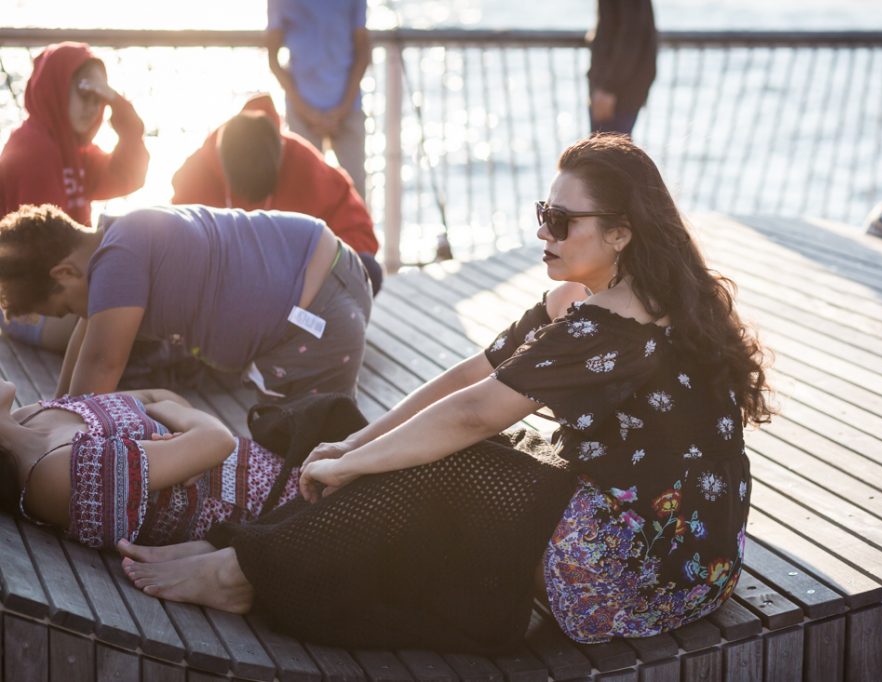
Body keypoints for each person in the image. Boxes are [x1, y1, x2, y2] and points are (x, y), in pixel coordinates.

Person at [118, 135, 772, 652]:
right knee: (376, 438)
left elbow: (473, 413)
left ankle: (240, 572)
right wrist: (357, 441)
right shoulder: (634, 297)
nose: (544, 232)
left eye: (562, 220)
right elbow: (471, 375)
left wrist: (352, 465)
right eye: (544, 213)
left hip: (636, 573)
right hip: (702, 558)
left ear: (621, 233)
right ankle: (244, 547)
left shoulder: (611, 327)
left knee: (438, 464)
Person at [0, 203, 372, 402]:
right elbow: (88, 338)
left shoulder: (117, 261)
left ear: (63, 273)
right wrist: (57, 407)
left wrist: (56, 438)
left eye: (65, 308)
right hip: (332, 273)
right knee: (298, 438)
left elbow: (101, 363)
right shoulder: (119, 236)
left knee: (301, 456)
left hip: (315, 319)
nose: (77, 316)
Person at [0, 383, 301, 550]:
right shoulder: (49, 476)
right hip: (277, 517)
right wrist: (180, 422)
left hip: (283, 468)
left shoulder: (33, 414)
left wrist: (178, 424)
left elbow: (161, 395)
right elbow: (219, 441)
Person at [0, 42, 149, 350]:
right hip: (26, 301)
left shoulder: (74, 150)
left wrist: (125, 118)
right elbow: (47, 257)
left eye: (100, 99)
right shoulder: (36, 149)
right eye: (84, 93)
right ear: (56, 87)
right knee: (121, 313)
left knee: (127, 307)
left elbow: (129, 177)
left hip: (57, 286)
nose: (92, 107)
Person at [170, 94, 382, 294]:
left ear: (280, 156)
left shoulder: (305, 164)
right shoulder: (198, 172)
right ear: (222, 164)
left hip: (295, 287)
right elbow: (175, 243)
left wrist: (314, 268)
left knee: (367, 269)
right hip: (224, 288)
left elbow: (359, 231)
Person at [267, 0, 371, 199]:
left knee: (356, 194)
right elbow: (273, 57)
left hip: (347, 110)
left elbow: (363, 52)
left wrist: (342, 109)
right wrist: (306, 111)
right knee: (303, 196)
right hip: (303, 112)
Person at [588, 0, 658, 136]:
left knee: (607, 153)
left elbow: (632, 34)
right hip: (618, 87)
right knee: (610, 151)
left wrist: (608, 88)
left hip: (617, 91)